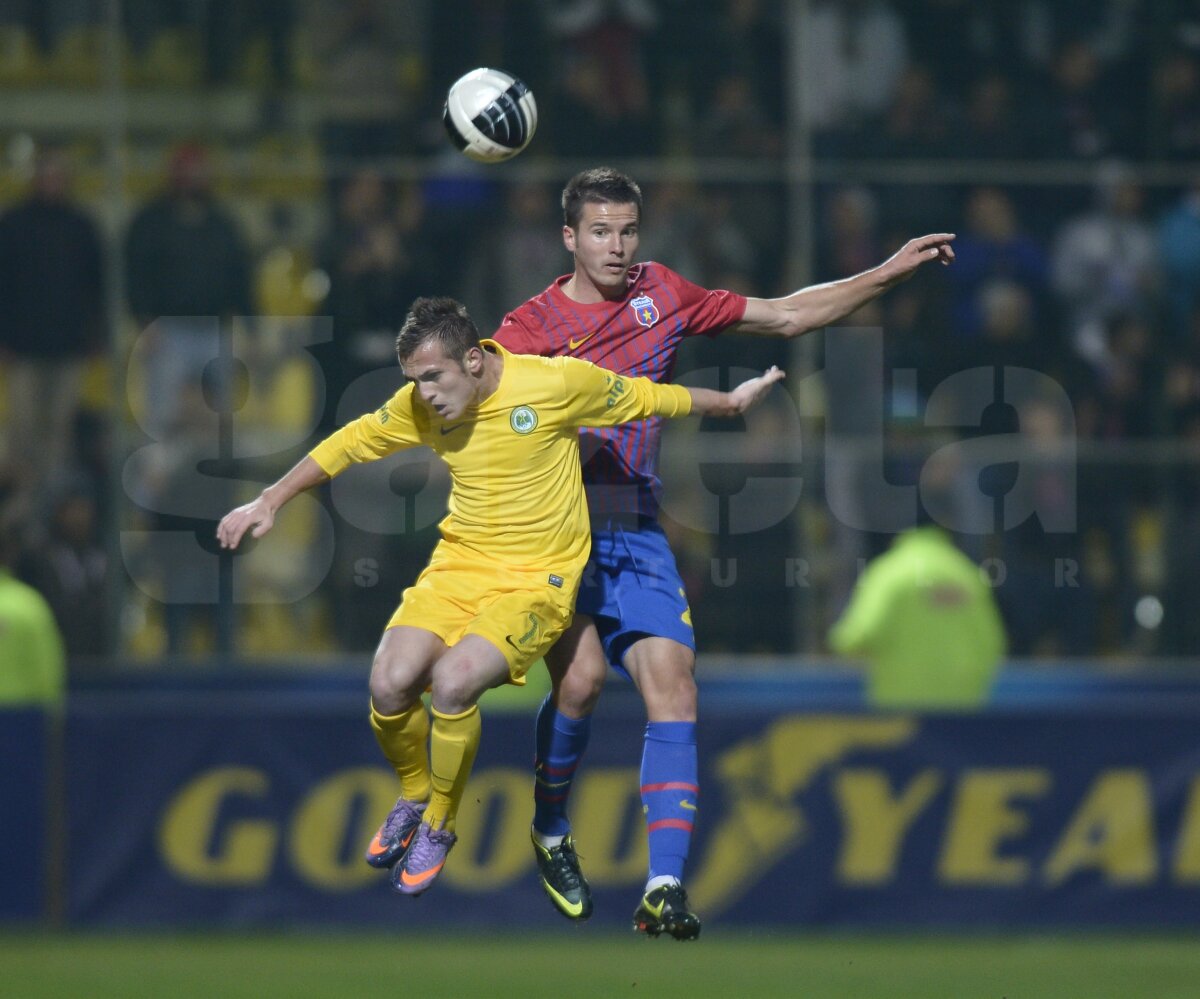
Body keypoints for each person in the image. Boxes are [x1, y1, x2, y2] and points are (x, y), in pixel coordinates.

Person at [492, 167, 954, 939]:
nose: (617, 245)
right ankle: (549, 826)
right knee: (580, 683)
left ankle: (664, 885)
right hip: (556, 529)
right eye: (601, 231)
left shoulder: (662, 293)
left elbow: (786, 316)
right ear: (568, 238)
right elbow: (480, 417)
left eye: (628, 230)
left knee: (674, 684)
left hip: (636, 525)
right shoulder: (527, 328)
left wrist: (885, 273)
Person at [216, 296, 783, 898]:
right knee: (389, 682)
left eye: (434, 376)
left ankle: (440, 821)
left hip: (541, 582)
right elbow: (349, 443)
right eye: (415, 380)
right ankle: (414, 793)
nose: (425, 392)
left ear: (475, 360)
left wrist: (730, 401)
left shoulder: (555, 384)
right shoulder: (420, 407)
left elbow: (651, 397)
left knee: (456, 682)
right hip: (459, 567)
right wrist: (269, 499)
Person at [828, 524, 1007, 709]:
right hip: (964, 709)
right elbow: (993, 642)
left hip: (902, 710)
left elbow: (856, 636)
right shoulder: (966, 574)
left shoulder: (890, 571)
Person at [0, 526, 66, 708]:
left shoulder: (30, 606)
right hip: (25, 724)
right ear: (8, 555)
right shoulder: (30, 606)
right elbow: (49, 672)